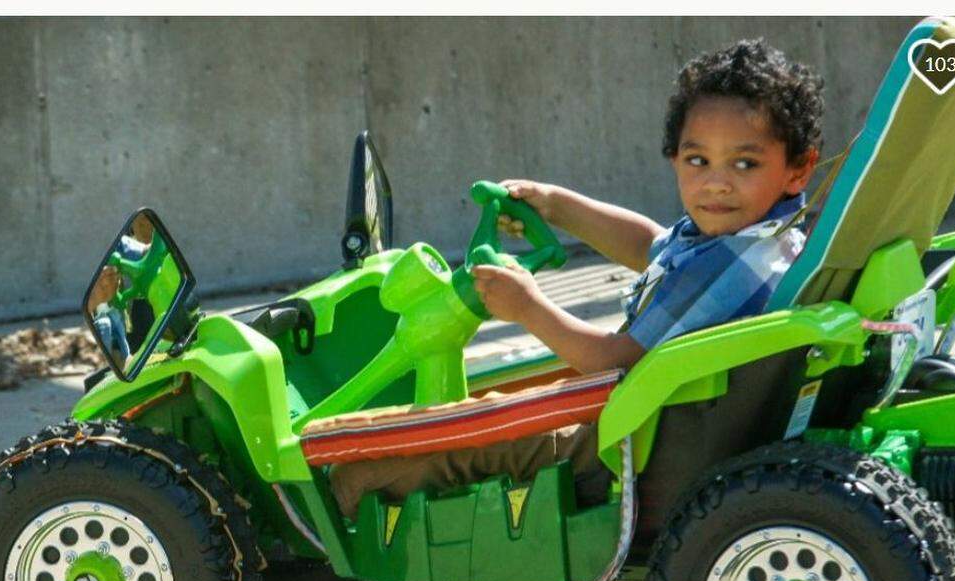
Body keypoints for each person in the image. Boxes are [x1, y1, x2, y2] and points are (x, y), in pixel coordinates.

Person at [328, 38, 824, 518]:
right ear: (675, 157)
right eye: (699, 160)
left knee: (460, 437)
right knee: (502, 395)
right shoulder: (760, 239)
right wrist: (556, 205)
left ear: (798, 169)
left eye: (745, 162)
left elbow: (610, 363)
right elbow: (649, 246)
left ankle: (334, 495)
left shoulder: (733, 260)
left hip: (628, 448)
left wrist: (527, 307)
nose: (716, 181)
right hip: (666, 425)